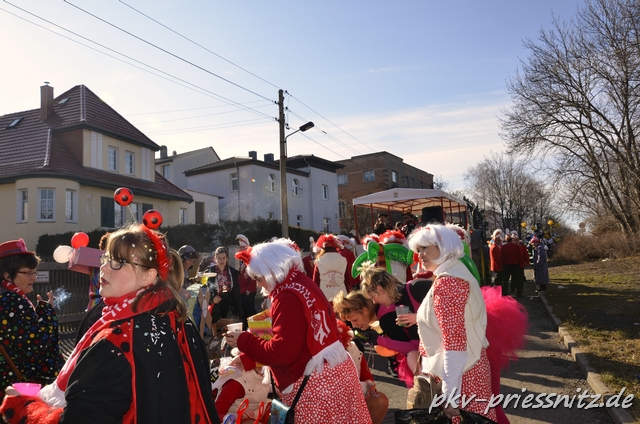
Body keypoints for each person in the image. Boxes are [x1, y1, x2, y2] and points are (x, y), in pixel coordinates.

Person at [0, 224, 219, 423]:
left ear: (148, 276)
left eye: (118, 262)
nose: (103, 267)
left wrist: (25, 408)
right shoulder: (180, 321)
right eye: (105, 259)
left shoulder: (116, 341)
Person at [224, 239, 372, 423]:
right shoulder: (301, 283)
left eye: (259, 278)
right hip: (335, 375)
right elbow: (297, 337)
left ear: (272, 271)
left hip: (316, 387)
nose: (260, 284)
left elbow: (282, 352)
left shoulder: (286, 297)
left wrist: (243, 340)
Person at [408, 224, 496, 423]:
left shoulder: (449, 282)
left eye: (425, 248)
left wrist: (450, 395)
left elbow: (454, 343)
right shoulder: (453, 274)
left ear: (444, 246)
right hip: (465, 371)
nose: (420, 255)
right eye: (418, 249)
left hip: (462, 375)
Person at [0, 239, 61, 396]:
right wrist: (48, 313)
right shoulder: (12, 300)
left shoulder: (5, 297)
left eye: (34, 272)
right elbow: (35, 346)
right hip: (14, 385)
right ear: (7, 275)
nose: (34, 278)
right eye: (28, 273)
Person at [357, 262, 430, 382]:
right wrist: (378, 340)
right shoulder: (397, 308)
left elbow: (453, 310)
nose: (374, 302)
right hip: (433, 350)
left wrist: (418, 317)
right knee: (412, 357)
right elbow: (414, 347)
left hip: (452, 345)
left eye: (373, 297)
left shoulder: (417, 288)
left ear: (380, 289)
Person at [336, 319, 388, 424]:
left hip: (353, 398)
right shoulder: (313, 359)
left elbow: (367, 378)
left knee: (380, 401)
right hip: (324, 406)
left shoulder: (353, 350)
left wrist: (367, 388)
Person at [194, 246, 244, 334]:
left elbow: (236, 290)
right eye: (219, 258)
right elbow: (204, 288)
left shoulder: (232, 272)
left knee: (231, 328)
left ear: (227, 258)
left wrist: (239, 307)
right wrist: (212, 298)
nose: (221, 260)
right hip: (216, 302)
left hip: (230, 301)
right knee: (217, 329)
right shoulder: (209, 271)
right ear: (215, 259)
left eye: (224, 258)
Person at [312, 234, 349, 302]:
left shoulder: (319, 261)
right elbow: (347, 281)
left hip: (324, 297)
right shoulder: (343, 260)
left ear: (323, 248)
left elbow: (315, 283)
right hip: (341, 297)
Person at [236, 234, 257, 327]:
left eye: (243, 248)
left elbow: (253, 276)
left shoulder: (251, 260)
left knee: (250, 310)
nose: (241, 249)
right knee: (244, 310)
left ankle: (254, 327)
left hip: (248, 291)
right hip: (242, 290)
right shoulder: (243, 261)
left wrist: (249, 289)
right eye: (240, 248)